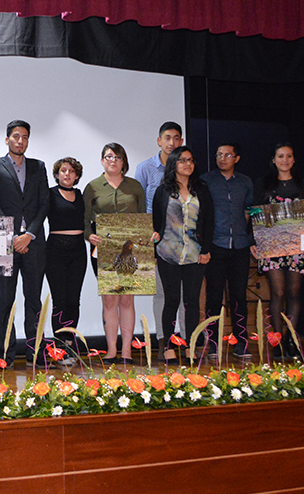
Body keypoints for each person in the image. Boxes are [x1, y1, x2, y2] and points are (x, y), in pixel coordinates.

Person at [0, 120, 50, 367]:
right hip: (5, 242)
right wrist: (13, 235)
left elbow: (44, 204)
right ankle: (4, 356)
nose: (20, 141)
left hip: (34, 243)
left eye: (24, 137)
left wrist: (29, 235)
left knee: (34, 300)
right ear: (7, 140)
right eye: (15, 136)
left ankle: (36, 354)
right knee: (5, 301)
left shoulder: (39, 167)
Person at [83, 143, 146, 365]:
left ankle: (127, 352)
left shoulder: (135, 187)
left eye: (118, 157)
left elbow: (142, 218)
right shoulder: (92, 187)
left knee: (127, 300)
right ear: (102, 161)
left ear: (124, 162)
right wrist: (89, 235)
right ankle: (111, 351)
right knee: (110, 301)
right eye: (108, 157)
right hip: (104, 251)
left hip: (131, 251)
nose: (113, 160)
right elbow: (84, 221)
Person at [152, 147, 214, 365]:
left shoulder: (202, 190)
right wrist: (155, 244)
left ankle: (191, 345)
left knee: (192, 302)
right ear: (174, 164)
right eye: (182, 161)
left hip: (195, 254)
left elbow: (209, 222)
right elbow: (157, 222)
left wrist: (206, 250)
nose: (188, 164)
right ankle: (168, 346)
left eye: (191, 160)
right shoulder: (163, 190)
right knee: (171, 300)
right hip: (168, 253)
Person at [254, 143, 304, 360]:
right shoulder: (263, 184)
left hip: (298, 247)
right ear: (273, 159)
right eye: (280, 156)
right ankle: (277, 341)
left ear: (294, 159)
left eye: (289, 156)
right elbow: (254, 214)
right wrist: (255, 241)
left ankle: (291, 339)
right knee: (277, 293)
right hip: (272, 246)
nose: (285, 160)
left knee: (294, 293)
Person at [202, 142, 257, 361]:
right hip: (215, 245)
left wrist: (249, 237)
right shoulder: (206, 180)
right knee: (214, 297)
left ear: (237, 158)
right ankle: (213, 343)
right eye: (219, 155)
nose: (222, 158)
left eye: (227, 155)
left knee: (238, 297)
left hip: (240, 246)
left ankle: (241, 342)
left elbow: (250, 212)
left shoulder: (245, 182)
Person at [136, 122, 185, 359]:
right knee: (162, 293)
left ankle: (186, 340)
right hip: (156, 241)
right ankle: (163, 341)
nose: (172, 143)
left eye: (176, 138)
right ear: (159, 141)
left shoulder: (186, 169)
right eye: (167, 138)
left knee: (186, 295)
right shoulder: (145, 168)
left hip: (184, 243)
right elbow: (139, 206)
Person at [45, 157, 85, 366]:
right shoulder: (49, 194)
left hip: (79, 250)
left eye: (71, 171)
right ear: (57, 174)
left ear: (77, 175)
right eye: (63, 170)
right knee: (59, 301)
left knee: (73, 300)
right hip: (55, 251)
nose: (67, 174)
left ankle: (70, 344)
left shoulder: (81, 195)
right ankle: (59, 348)